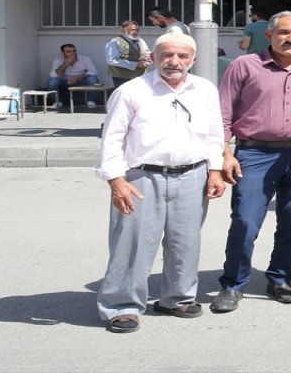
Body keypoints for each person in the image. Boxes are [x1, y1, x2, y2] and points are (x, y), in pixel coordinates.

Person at [94, 32, 227, 333]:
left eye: (182, 56)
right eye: (166, 55)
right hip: (141, 176)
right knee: (132, 243)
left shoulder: (204, 89)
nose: (174, 61)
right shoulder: (132, 91)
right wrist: (116, 180)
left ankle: (177, 298)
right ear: (153, 58)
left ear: (193, 59)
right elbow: (112, 139)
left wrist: (215, 171)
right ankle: (122, 306)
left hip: (193, 174)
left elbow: (214, 133)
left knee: (185, 241)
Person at [210, 11, 291, 313]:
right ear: (269, 35)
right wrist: (224, 154)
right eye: (283, 32)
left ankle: (280, 278)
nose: (290, 38)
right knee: (245, 220)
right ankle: (233, 283)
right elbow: (223, 113)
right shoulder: (244, 65)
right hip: (254, 153)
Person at [47, 43, 101, 109]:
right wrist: (66, 64)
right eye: (68, 51)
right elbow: (52, 75)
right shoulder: (58, 60)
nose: (72, 53)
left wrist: (77, 77)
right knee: (52, 81)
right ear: (62, 53)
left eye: (74, 51)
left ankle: (91, 102)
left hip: (81, 80)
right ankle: (57, 102)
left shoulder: (85, 58)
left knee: (93, 79)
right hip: (65, 81)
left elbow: (94, 71)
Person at [105, 20, 152, 88]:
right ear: (123, 30)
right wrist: (136, 64)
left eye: (137, 30)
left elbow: (148, 54)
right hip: (122, 77)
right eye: (132, 30)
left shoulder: (141, 41)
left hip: (140, 76)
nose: (135, 32)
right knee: (124, 94)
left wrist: (148, 60)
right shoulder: (115, 42)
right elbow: (112, 60)